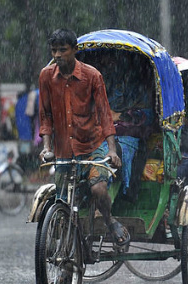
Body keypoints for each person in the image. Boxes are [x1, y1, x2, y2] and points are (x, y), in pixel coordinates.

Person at [38, 29, 129, 252]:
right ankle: (69, 262)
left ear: (74, 50)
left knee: (98, 189)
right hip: (64, 152)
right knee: (63, 206)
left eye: (63, 50)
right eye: (54, 51)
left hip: (93, 147)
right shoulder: (46, 77)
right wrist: (46, 147)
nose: (57, 55)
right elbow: (45, 115)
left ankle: (109, 221)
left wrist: (112, 150)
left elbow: (105, 114)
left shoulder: (92, 76)